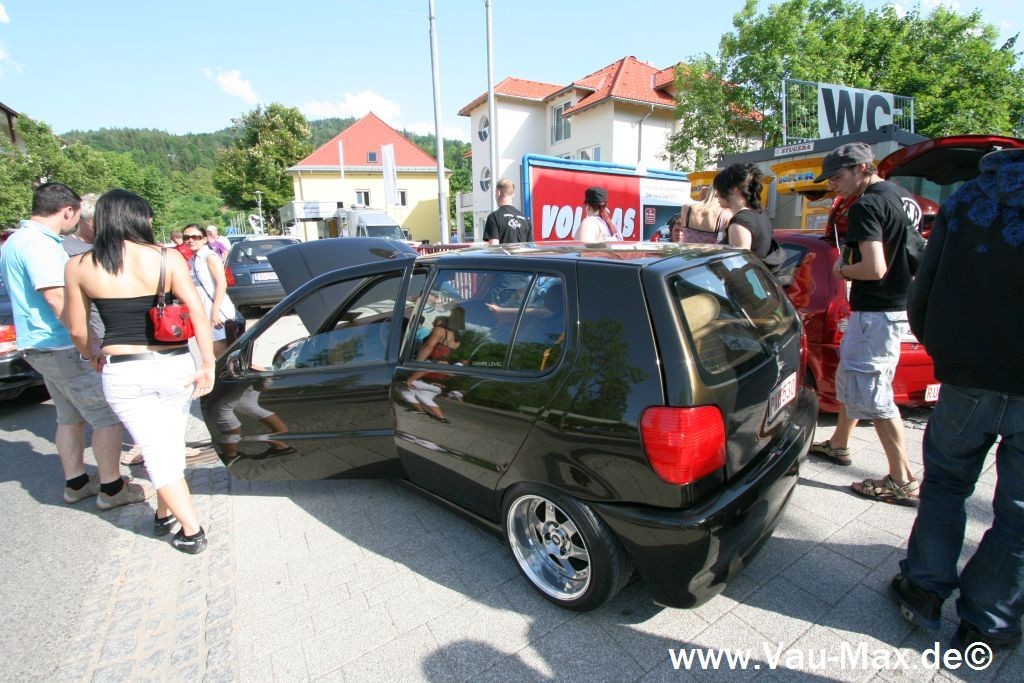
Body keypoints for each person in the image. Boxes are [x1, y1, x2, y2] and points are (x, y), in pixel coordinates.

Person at [889, 148, 1024, 657]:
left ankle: (924, 588)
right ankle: (987, 620)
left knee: (945, 485)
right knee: (1019, 511)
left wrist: (943, 350)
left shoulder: (967, 199)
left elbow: (926, 284)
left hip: (968, 373)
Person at [64, 189, 216, 554]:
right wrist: (208, 363)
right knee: (167, 445)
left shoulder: (79, 265)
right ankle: (174, 520)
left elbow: (78, 328)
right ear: (137, 218)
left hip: (124, 370)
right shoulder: (166, 258)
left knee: (157, 448)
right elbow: (197, 313)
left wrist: (90, 354)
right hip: (175, 364)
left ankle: (187, 527)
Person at [0, 183, 143, 510]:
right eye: (77, 214)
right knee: (107, 416)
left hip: (39, 345)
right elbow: (57, 298)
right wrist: (89, 345)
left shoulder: (16, 241)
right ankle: (112, 489)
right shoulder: (40, 245)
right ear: (67, 210)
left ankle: (77, 483)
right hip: (62, 345)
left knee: (69, 417)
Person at [807, 142, 922, 505]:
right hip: (894, 306)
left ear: (861, 168)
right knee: (853, 377)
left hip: (876, 310)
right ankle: (839, 443)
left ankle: (902, 479)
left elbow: (874, 268)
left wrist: (842, 270)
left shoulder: (866, 205)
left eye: (837, 177)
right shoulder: (899, 196)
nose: (833, 185)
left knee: (874, 392)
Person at [402, 306, 465, 423]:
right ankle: (440, 417)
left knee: (401, 386)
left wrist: (416, 365)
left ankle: (421, 410)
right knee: (423, 395)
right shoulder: (458, 338)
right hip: (438, 372)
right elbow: (445, 358)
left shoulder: (440, 330)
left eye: (437, 320)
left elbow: (428, 347)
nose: (434, 322)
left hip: (427, 367)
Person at [184, 225, 236, 357]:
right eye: (186, 237)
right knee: (213, 353)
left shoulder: (209, 256)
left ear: (204, 239)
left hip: (217, 309)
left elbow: (221, 283)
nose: (190, 240)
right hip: (204, 310)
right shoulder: (193, 259)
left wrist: (215, 311)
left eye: (195, 237)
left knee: (221, 353)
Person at [713, 163, 773, 258]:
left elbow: (739, 263)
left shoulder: (740, 223)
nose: (715, 195)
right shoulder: (761, 216)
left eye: (718, 189)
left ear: (733, 190)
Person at [483, 178, 532, 245]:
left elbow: (494, 247)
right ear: (513, 194)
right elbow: (529, 247)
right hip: (521, 252)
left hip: (502, 252)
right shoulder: (525, 219)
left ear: (498, 193)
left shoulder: (494, 217)